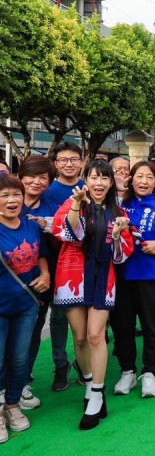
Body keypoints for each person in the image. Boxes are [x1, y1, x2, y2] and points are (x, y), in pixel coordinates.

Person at [52, 160, 134, 429]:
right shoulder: (72, 203)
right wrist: (76, 204)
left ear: (111, 182)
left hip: (103, 278)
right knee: (79, 336)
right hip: (73, 275)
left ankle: (97, 393)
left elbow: (120, 257)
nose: (99, 183)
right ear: (86, 179)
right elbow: (70, 235)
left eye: (104, 178)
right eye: (94, 177)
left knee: (95, 335)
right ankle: (88, 383)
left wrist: (121, 234)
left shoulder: (118, 211)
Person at [113, 161, 155, 399]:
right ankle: (127, 371)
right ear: (131, 179)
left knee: (153, 325)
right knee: (122, 326)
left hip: (153, 275)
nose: (144, 181)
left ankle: (149, 372)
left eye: (149, 177)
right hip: (122, 276)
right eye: (139, 176)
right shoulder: (119, 206)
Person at [0, 175, 50, 443]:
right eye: (5, 196)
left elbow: (41, 254)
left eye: (16, 195)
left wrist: (45, 274)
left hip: (27, 305)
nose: (12, 200)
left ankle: (12, 405)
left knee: (20, 359)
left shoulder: (31, 226)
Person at [13, 156, 59, 410]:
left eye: (44, 178)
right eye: (32, 176)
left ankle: (20, 384)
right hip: (7, 284)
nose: (37, 182)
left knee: (30, 334)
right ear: (20, 176)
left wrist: (49, 230)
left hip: (41, 282)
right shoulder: (8, 203)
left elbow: (62, 245)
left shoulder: (52, 208)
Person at [42, 142, 85, 391]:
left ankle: (84, 364)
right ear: (55, 164)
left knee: (87, 319)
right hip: (57, 263)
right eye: (63, 160)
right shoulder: (48, 192)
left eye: (73, 159)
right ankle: (61, 364)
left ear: (81, 162)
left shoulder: (89, 187)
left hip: (86, 265)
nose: (69, 164)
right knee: (58, 317)